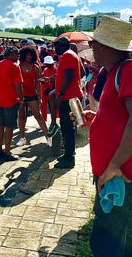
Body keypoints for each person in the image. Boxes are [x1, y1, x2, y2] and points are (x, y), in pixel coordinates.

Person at [75, 17, 132, 257]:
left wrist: (114, 166)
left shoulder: (130, 70)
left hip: (122, 173)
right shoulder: (116, 72)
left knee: (104, 243)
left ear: (107, 46)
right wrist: (96, 119)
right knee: (123, 235)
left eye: (95, 43)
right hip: (118, 170)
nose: (92, 48)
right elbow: (121, 117)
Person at [47, 36, 83, 169]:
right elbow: (80, 72)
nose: (55, 48)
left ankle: (69, 158)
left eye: (56, 45)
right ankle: (69, 153)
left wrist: (60, 93)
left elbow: (68, 75)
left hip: (67, 98)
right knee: (69, 128)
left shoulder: (67, 55)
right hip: (70, 96)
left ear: (62, 45)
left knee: (67, 127)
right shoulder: (72, 55)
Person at [0, 46, 23, 161]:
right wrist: (21, 99)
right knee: (9, 127)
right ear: (10, 54)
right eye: (17, 54)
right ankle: (7, 151)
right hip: (11, 100)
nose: (18, 56)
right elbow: (18, 85)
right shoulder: (15, 66)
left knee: (0, 125)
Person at [17, 46, 51, 147]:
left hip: (32, 95)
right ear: (23, 55)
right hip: (21, 95)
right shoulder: (19, 66)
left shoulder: (36, 68)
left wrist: (39, 97)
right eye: (27, 54)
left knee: (38, 116)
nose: (29, 56)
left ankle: (48, 138)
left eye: (31, 55)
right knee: (22, 117)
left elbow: (38, 83)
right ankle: (22, 138)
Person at [40, 55, 56, 121]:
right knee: (43, 105)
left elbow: (56, 79)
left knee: (52, 106)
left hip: (52, 90)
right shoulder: (45, 70)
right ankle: (44, 119)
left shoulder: (56, 69)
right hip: (45, 90)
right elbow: (42, 78)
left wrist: (49, 79)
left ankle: (53, 120)